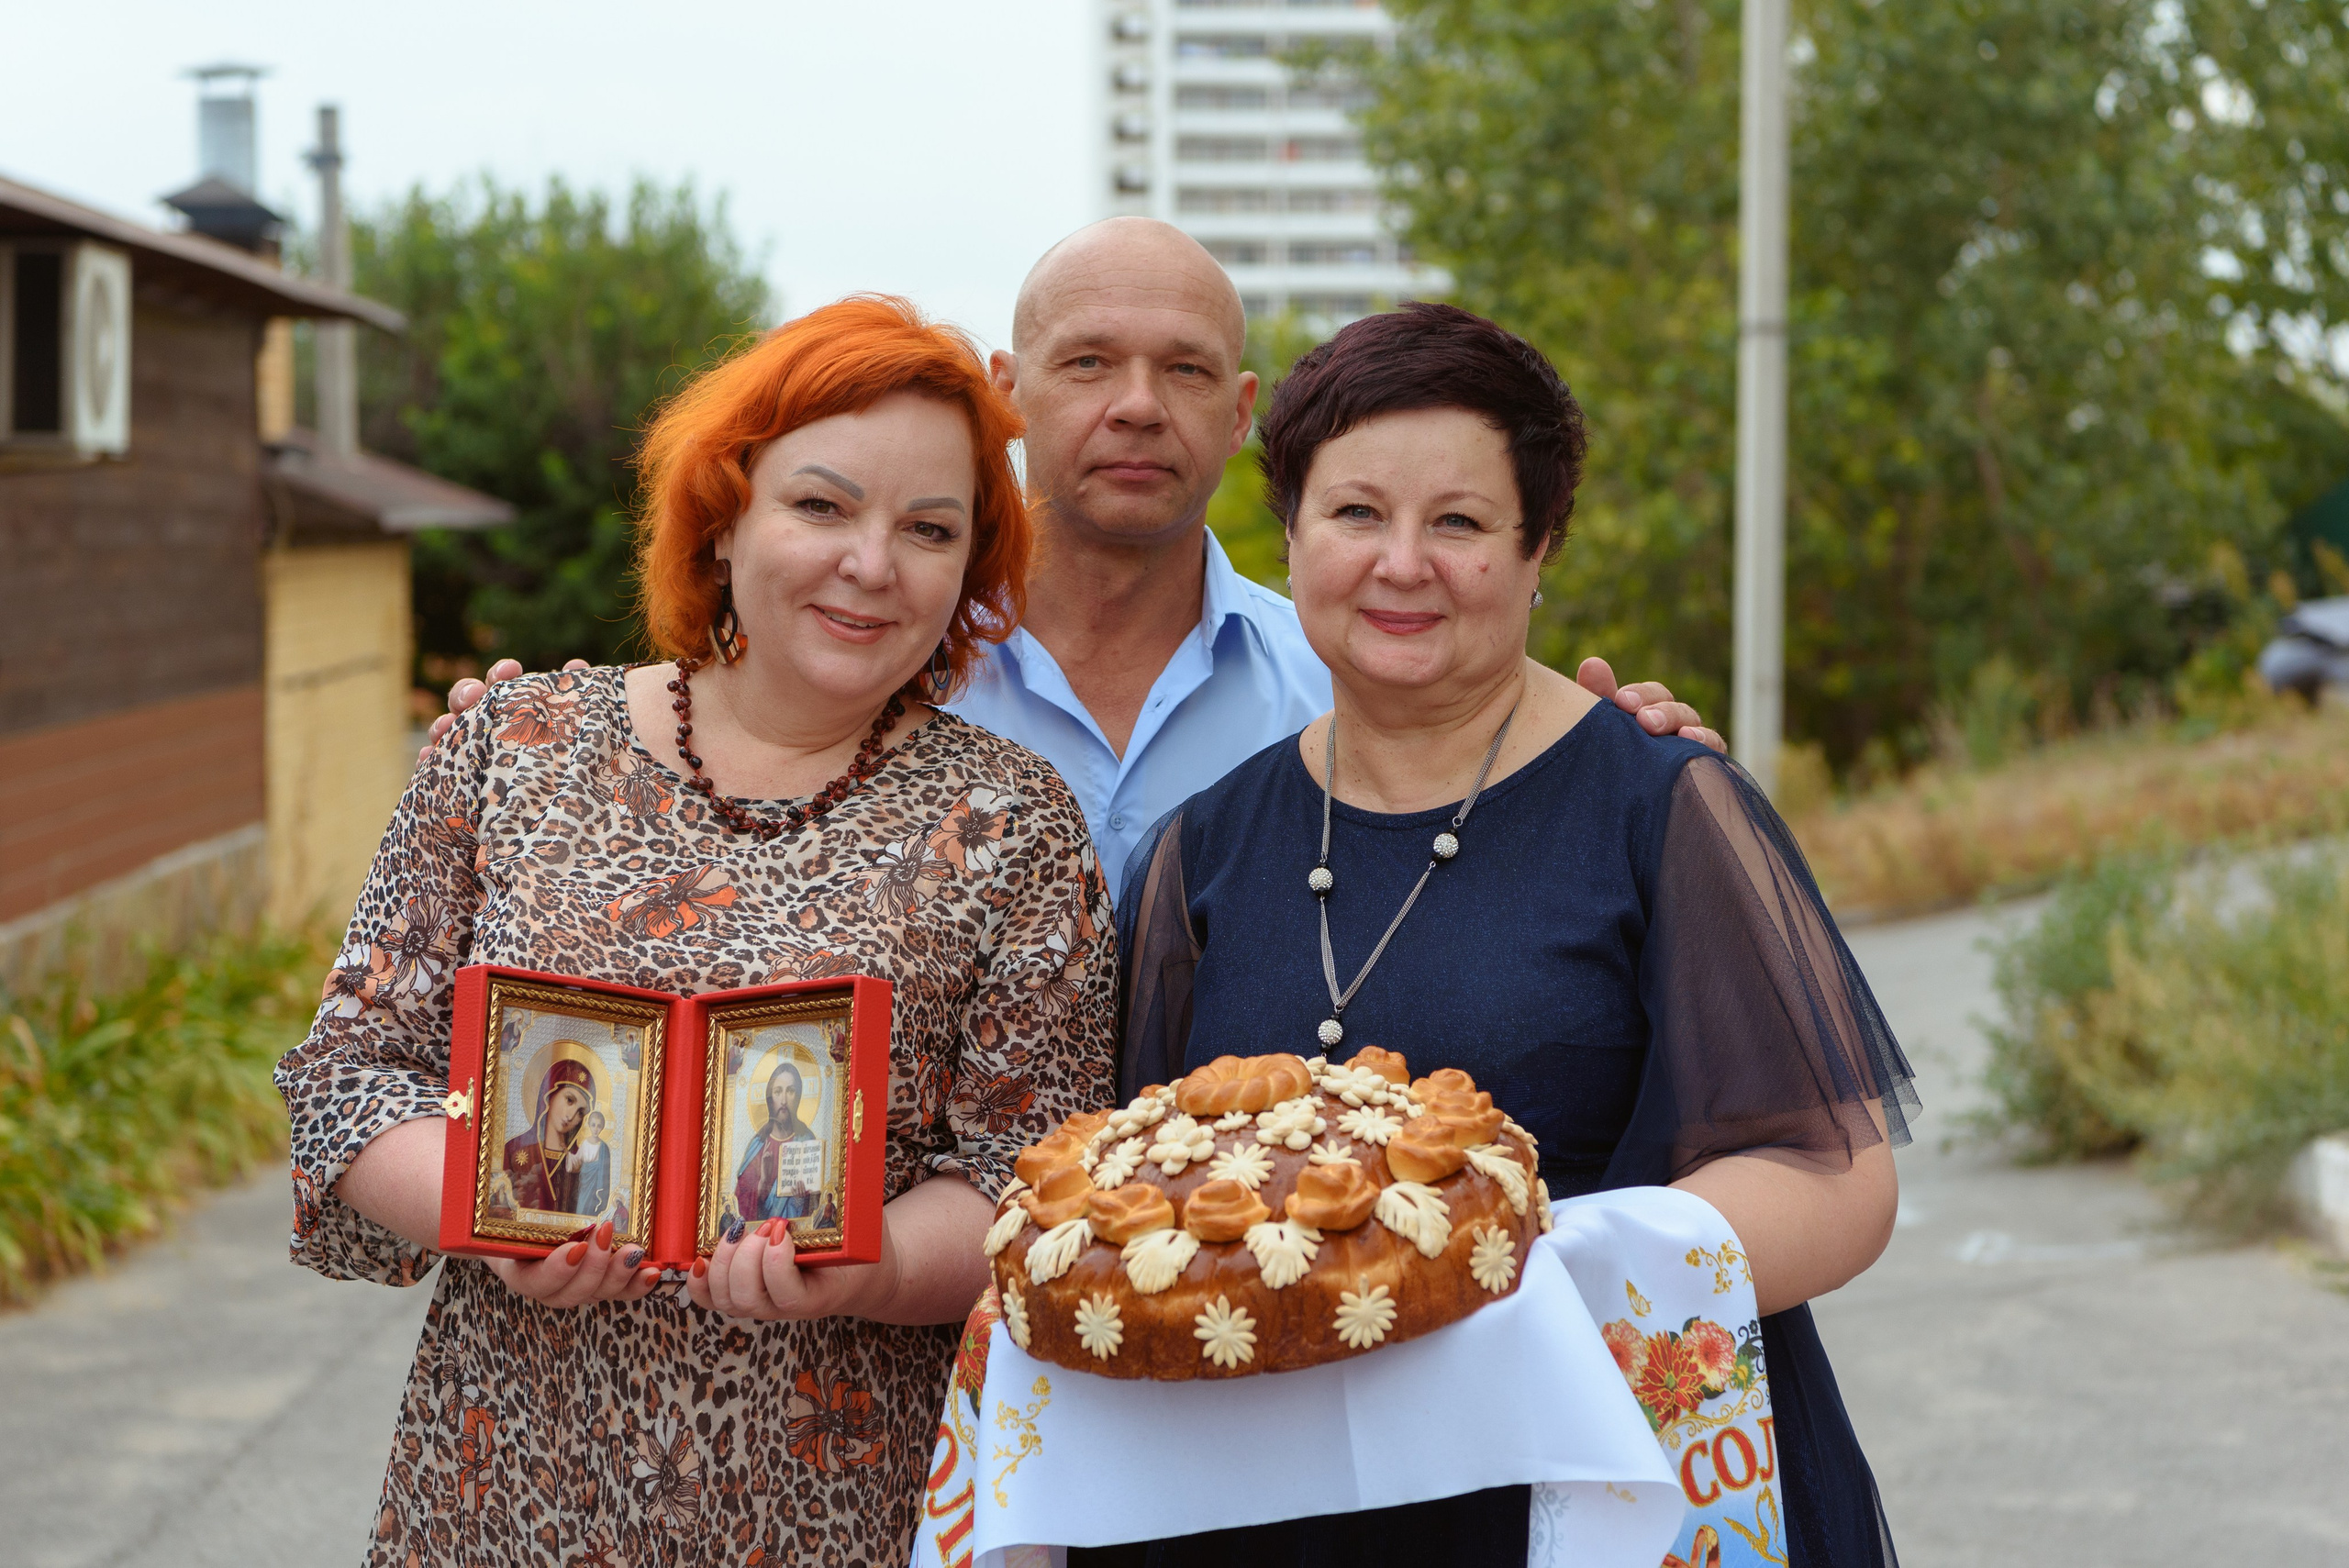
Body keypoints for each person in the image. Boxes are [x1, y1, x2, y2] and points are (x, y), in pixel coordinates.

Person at [278, 295, 1119, 1565]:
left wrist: (872, 1265)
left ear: (967, 572)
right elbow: (348, 1079)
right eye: (822, 505)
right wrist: (496, 1216)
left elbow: (1035, 1180)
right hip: (511, 1479)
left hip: (850, 1495)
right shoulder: (512, 749)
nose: (872, 563)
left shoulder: (1010, 825)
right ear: (724, 518)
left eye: (928, 529)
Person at [1114, 302, 1916, 1566]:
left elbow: (1836, 1180)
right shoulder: (1200, 850)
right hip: (1277, 1500)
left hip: (1596, 1480)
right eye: (1357, 513)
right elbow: (1131, 1192)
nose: (1402, 562)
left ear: (1542, 546)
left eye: (1462, 523)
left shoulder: (1662, 805)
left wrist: (1538, 1271)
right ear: (1288, 535)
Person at [428, 219, 1720, 897]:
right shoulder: (867, 661)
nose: (1139, 406)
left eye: (1187, 370)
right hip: (905, 1312)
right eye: (1089, 362)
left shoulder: (1345, 678)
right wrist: (553, 746)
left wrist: (1610, 749)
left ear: (1242, 409)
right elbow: (693, 766)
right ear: (1009, 391)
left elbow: (1510, 790)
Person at [495, 1056, 595, 1215]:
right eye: (569, 1100)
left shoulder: (579, 1162)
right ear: (550, 1094)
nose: (571, 1116)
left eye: (580, 1112)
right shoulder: (514, 1150)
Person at [732, 1061, 824, 1224]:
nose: (783, 1100)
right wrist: (764, 1182)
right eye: (777, 1091)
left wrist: (799, 1200)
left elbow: (817, 1206)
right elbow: (743, 1207)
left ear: (798, 1096)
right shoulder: (758, 1145)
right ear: (770, 1098)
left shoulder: (807, 1141)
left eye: (790, 1091)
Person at [574, 1109, 612, 1219]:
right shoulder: (585, 1143)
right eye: (593, 1125)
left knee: (591, 1208)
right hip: (585, 1181)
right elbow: (578, 1160)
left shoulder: (603, 1147)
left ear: (602, 1127)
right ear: (589, 1126)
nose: (596, 1129)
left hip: (596, 1183)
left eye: (599, 1126)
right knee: (581, 1207)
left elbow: (605, 1170)